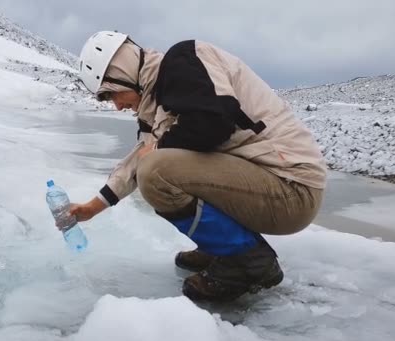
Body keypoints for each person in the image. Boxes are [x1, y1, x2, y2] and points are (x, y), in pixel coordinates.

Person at [71, 31, 327, 302]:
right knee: (156, 163)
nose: (118, 106)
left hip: (291, 188)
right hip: (271, 185)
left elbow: (214, 122)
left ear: (123, 72)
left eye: (113, 94)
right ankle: (220, 247)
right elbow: (138, 159)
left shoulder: (182, 62)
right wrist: (92, 207)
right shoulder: (159, 103)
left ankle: (245, 260)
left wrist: (157, 149)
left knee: (156, 172)